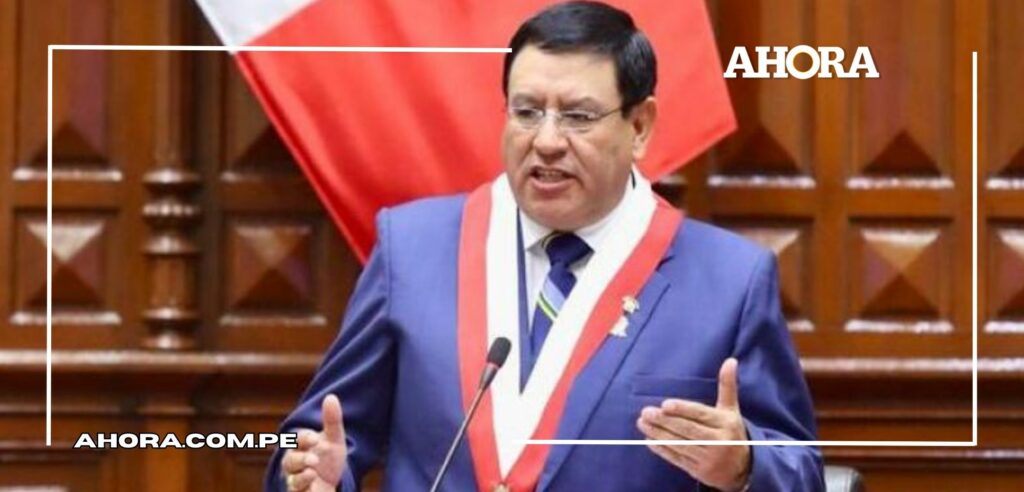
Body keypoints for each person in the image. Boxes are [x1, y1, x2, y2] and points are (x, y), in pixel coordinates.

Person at [266, 2, 824, 491]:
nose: (548, 141)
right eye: (527, 112)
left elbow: (801, 470)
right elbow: (315, 438)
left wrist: (744, 466)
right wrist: (311, 476)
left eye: (578, 117)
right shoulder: (411, 249)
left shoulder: (730, 282)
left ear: (640, 126)